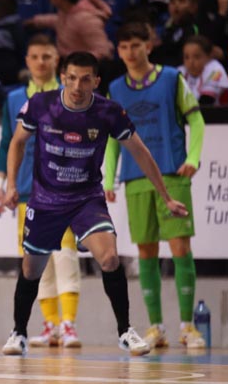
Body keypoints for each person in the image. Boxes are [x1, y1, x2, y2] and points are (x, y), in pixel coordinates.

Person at [0, 51, 189, 357]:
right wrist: (10, 185)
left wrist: (166, 195)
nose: (77, 85)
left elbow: (140, 152)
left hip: (86, 199)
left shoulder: (109, 112)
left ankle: (125, 331)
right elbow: (17, 141)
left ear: (96, 81)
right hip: (46, 201)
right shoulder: (41, 105)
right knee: (31, 269)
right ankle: (18, 332)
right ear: (63, 77)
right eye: (72, 77)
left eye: (85, 79)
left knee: (110, 258)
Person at [105, 21, 207, 349]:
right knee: (145, 252)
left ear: (148, 46)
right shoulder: (115, 89)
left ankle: (188, 326)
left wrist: (193, 155)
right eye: (123, 47)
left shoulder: (171, 78)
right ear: (118, 51)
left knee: (180, 247)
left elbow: (196, 118)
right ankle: (156, 327)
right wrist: (108, 177)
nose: (130, 52)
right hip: (135, 178)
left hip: (172, 173)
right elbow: (111, 140)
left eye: (136, 45)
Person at [0, 34, 83, 349]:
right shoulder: (14, 98)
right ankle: (50, 325)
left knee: (66, 254)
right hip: (28, 193)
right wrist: (0, 185)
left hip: (64, 191)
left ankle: (69, 325)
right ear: (27, 61)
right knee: (34, 260)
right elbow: (7, 142)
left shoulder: (70, 96)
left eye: (47, 56)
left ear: (56, 60)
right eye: (35, 57)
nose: (41, 62)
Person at [179, 35, 228, 105]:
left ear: (209, 56)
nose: (191, 62)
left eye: (197, 57)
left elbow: (206, 102)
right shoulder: (181, 71)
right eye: (186, 57)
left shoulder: (215, 69)